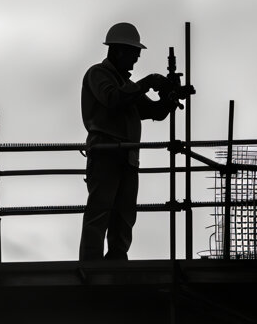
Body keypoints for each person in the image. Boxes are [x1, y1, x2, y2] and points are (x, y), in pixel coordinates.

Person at [78, 23, 185, 261]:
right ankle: (91, 263)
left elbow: (154, 112)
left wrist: (169, 98)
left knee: (124, 214)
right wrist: (148, 82)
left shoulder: (128, 86)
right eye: (134, 54)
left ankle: (117, 258)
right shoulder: (98, 74)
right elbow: (113, 99)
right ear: (119, 51)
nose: (136, 60)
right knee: (100, 211)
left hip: (127, 156)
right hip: (105, 152)